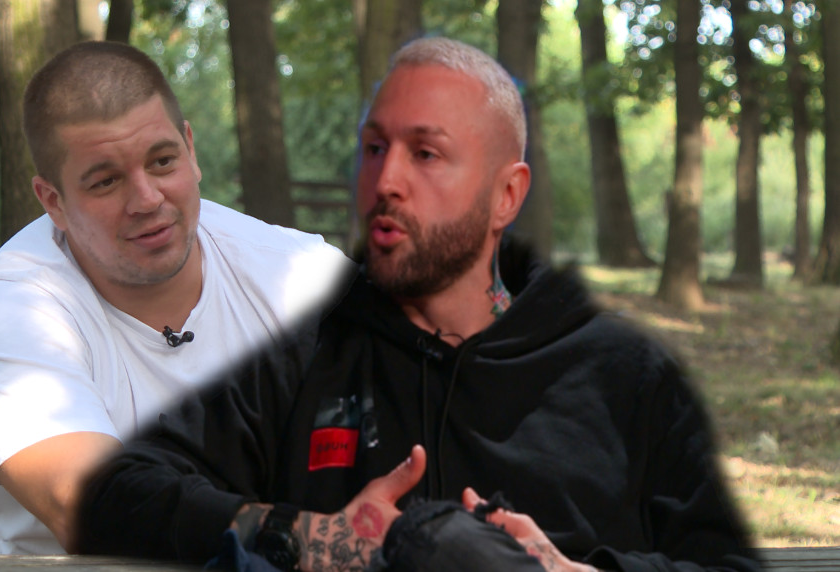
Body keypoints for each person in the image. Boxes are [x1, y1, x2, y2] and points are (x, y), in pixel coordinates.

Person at [76, 37, 759, 572]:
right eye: (375, 148)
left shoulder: (623, 377)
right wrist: (310, 537)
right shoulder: (306, 359)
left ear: (506, 196)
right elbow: (117, 495)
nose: (386, 180)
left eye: (426, 154)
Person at [0, 41, 350, 555]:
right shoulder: (10, 310)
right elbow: (92, 507)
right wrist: (311, 538)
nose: (147, 199)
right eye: (106, 181)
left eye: (162, 161)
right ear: (53, 201)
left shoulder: (300, 273)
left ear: (191, 151)